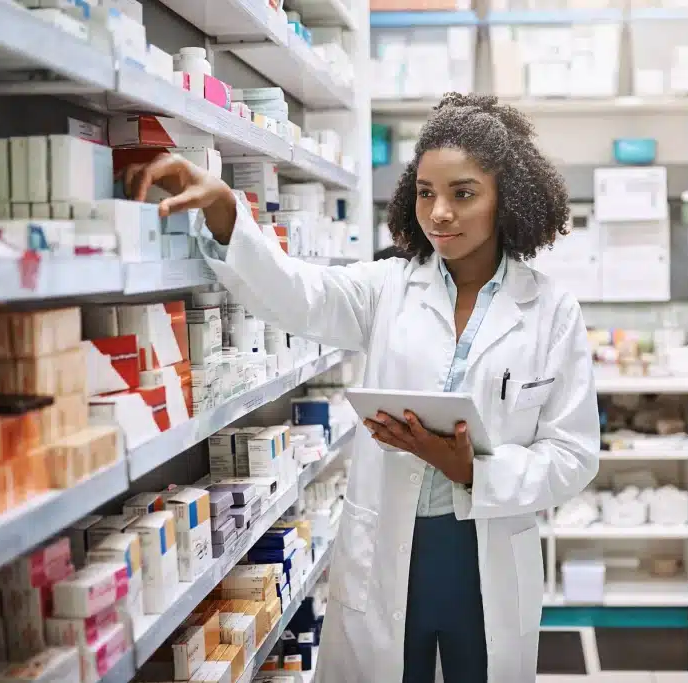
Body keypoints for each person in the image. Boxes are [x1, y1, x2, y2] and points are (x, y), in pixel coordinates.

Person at [123, 92, 600, 683]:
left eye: (463, 193)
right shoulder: (388, 287)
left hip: (487, 553)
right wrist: (227, 214)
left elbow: (573, 455)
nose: (440, 213)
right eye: (426, 193)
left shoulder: (551, 310)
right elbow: (298, 294)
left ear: (508, 197)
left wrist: (473, 468)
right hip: (391, 551)